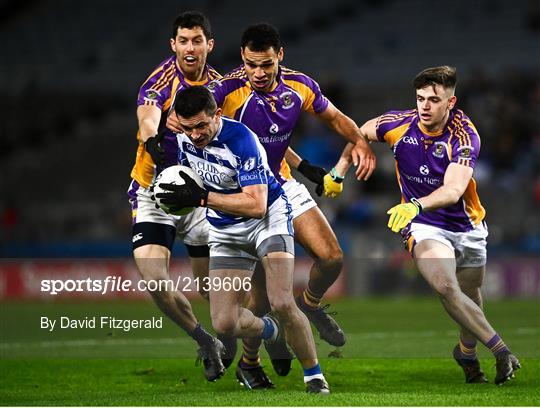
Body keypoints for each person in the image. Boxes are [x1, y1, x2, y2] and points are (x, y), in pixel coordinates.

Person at [167, 23, 376, 382]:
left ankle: (309, 304)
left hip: (281, 185)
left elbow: (334, 118)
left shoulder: (300, 86)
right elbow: (190, 116)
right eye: (251, 65)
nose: (258, 73)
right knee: (261, 298)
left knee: (331, 257)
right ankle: (252, 363)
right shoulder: (226, 91)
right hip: (243, 195)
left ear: (280, 56)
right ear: (242, 61)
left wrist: (360, 142)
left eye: (266, 64)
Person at [333, 66, 520, 385]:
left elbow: (453, 190)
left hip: (466, 224)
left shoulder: (464, 136)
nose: (425, 105)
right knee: (446, 287)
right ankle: (502, 351)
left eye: (434, 99)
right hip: (423, 225)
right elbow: (359, 131)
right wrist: (339, 171)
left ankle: (466, 352)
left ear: (451, 102)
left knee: (470, 295)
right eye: (420, 98)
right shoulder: (398, 124)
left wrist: (415, 203)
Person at [157, 85, 331, 394]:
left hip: (268, 220)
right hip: (226, 230)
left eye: (201, 125)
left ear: (218, 115)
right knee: (224, 323)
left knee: (280, 300)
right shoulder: (182, 135)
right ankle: (273, 333)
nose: (195, 134)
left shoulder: (242, 140)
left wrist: (200, 198)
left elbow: (256, 204)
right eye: (188, 127)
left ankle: (314, 376)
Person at [126, 11, 228, 382]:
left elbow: (233, 132)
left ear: (209, 45)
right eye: (183, 41)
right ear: (173, 45)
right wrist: (153, 142)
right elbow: (148, 118)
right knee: (153, 278)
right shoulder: (158, 82)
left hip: (199, 195)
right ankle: (204, 341)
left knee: (210, 288)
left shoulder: (220, 87)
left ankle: (236, 336)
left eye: (196, 40)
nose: (190, 48)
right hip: (154, 190)